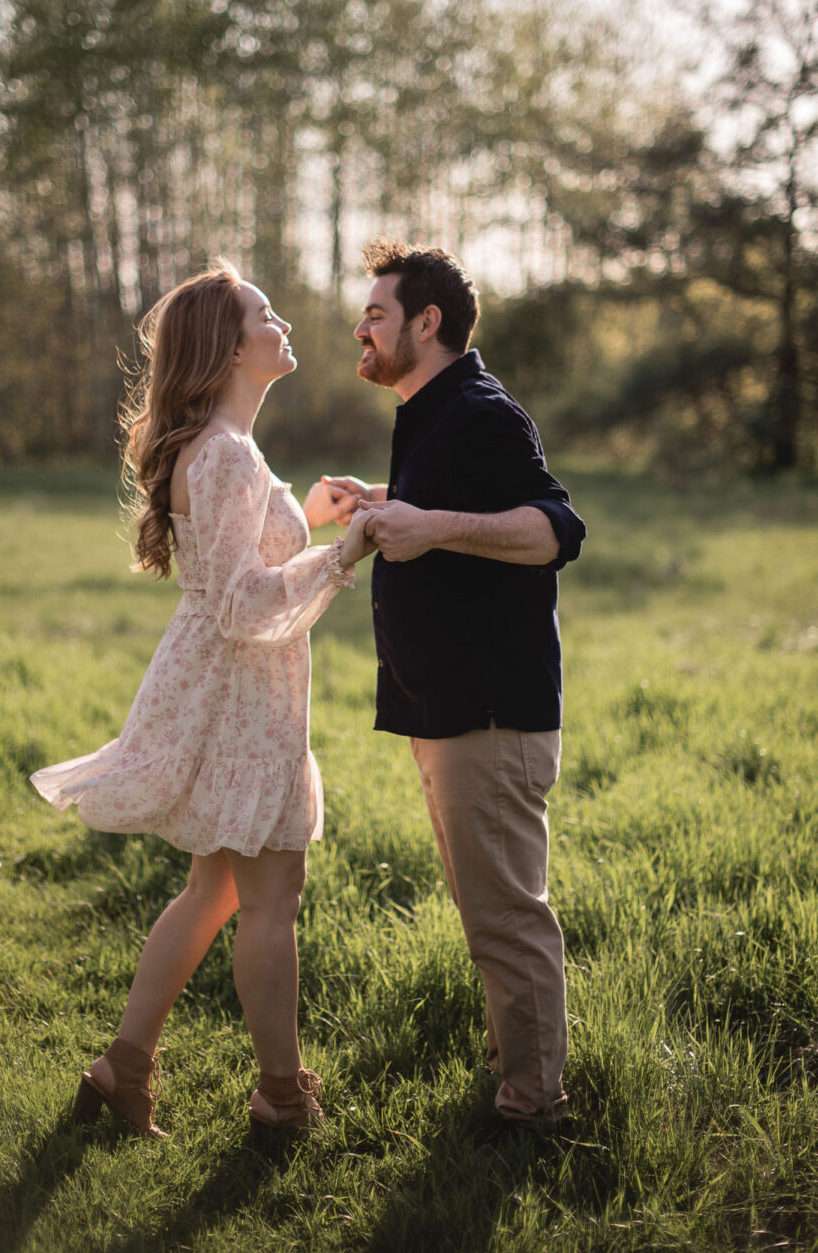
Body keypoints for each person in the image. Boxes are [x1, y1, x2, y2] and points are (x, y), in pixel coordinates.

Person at [31, 263, 372, 1141]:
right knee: (270, 896)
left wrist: (310, 516)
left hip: (234, 693)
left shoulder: (230, 449)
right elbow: (240, 603)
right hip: (236, 701)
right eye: (265, 313)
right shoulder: (222, 454)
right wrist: (343, 554)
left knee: (216, 889)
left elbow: (237, 560)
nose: (282, 322)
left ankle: (123, 1070)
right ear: (227, 347)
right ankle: (282, 1098)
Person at [316, 237, 586, 1134]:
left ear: (426, 323)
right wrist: (386, 500)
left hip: (491, 713)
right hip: (448, 712)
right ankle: (518, 1072)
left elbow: (554, 530)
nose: (361, 329)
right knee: (486, 914)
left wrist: (430, 523)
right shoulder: (431, 414)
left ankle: (533, 1110)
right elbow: (449, 513)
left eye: (376, 315)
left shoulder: (479, 412)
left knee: (505, 918)